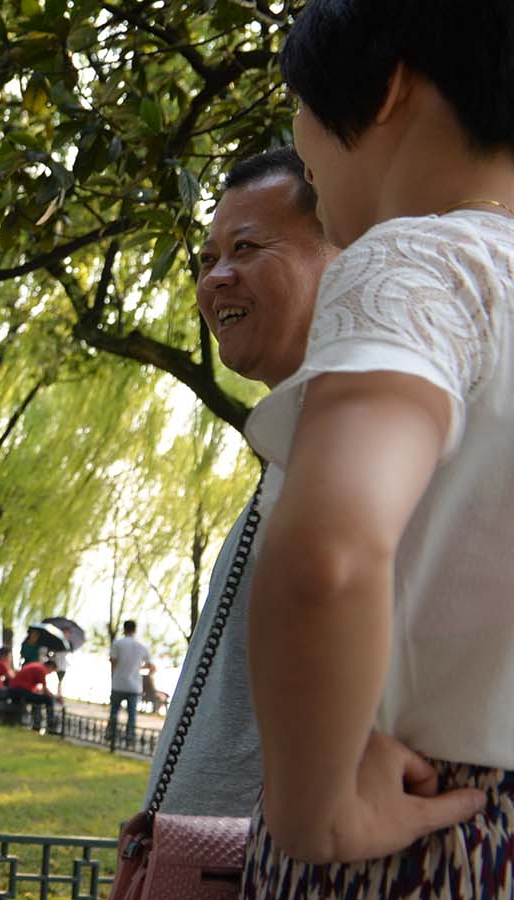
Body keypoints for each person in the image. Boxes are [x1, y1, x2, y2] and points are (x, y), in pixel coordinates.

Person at [239, 1, 514, 889]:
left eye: (299, 106)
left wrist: (313, 806)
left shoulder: (421, 262)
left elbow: (331, 551)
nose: (301, 150)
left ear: (389, 84)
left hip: (412, 831)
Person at [141, 145, 341, 817]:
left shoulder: (367, 460)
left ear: (341, 251)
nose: (216, 278)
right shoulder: (296, 451)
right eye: (206, 260)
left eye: (247, 248)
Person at [107, 620, 152, 749]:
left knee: (114, 712)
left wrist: (113, 676)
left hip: (118, 683)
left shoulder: (118, 644)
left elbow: (113, 662)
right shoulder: (141, 646)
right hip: (134, 685)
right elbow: (151, 666)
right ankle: (129, 738)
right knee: (132, 715)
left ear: (124, 629)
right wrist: (138, 668)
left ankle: (112, 735)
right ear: (135, 630)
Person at [0, 659, 56, 733]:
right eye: (51, 671)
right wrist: (55, 697)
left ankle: (36, 725)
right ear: (50, 667)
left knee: (37, 700)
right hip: (20, 691)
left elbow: (32, 686)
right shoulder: (41, 669)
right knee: (49, 699)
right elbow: (45, 691)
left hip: (14, 690)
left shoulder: (36, 665)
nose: (50, 673)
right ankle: (51, 727)